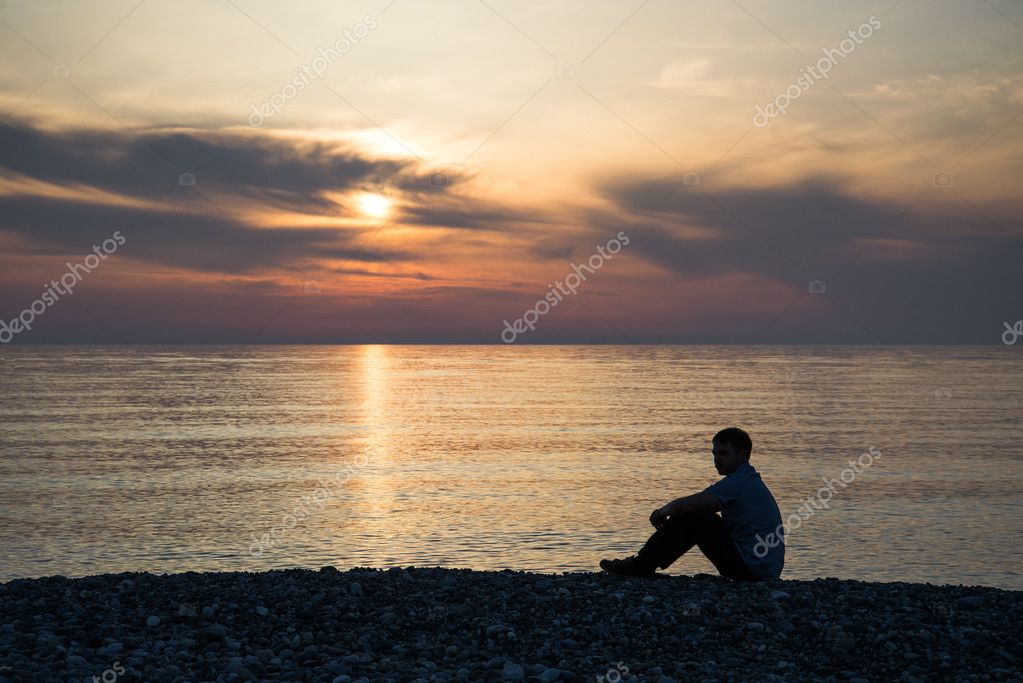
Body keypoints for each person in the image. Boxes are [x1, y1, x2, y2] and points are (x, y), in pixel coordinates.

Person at [599, 427, 784, 581]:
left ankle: (640, 565)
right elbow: (704, 504)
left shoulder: (737, 483)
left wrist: (662, 512)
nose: (717, 459)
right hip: (762, 570)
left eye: (724, 453)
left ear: (742, 454)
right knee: (695, 514)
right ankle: (643, 564)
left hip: (752, 572)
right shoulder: (749, 480)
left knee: (691, 517)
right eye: (714, 453)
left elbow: (684, 507)